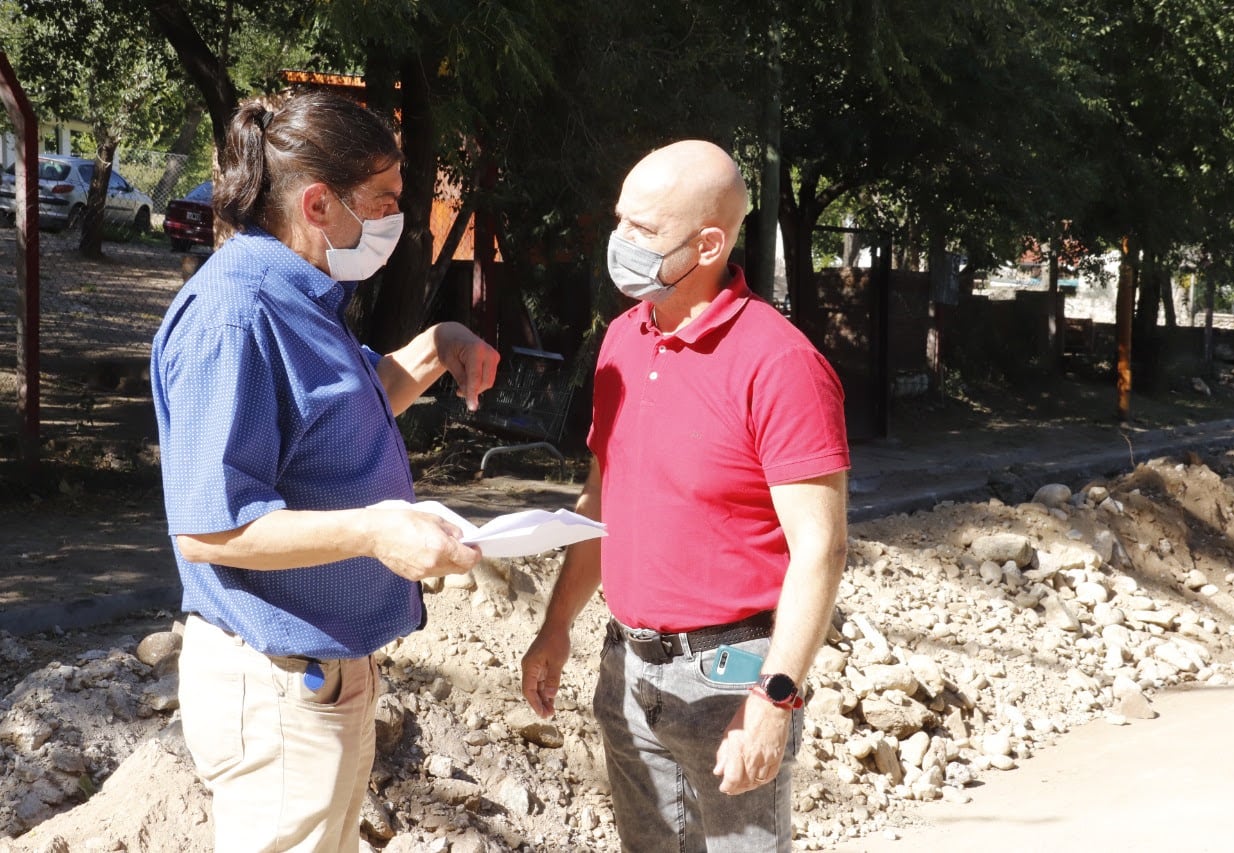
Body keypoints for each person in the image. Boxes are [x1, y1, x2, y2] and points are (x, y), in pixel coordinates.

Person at [150, 90, 499, 853]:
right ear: (318, 202)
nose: (394, 223)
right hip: (276, 693)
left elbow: (352, 407)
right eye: (383, 201)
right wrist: (376, 530)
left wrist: (440, 343)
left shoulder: (301, 295)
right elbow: (213, 526)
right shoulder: (237, 315)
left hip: (319, 685)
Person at [520, 140, 849, 851]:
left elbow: (820, 548)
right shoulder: (620, 342)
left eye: (642, 231)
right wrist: (556, 626)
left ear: (707, 243)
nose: (619, 243)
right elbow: (600, 506)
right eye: (620, 222)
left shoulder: (782, 364)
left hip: (731, 681)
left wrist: (776, 698)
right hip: (627, 670)